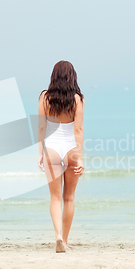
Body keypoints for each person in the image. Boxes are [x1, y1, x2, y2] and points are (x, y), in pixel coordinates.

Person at [38, 60, 85, 253]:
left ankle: (57, 235)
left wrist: (40, 153)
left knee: (55, 198)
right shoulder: (77, 99)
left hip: (53, 148)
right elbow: (78, 130)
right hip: (71, 149)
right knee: (69, 198)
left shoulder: (44, 97)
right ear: (71, 76)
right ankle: (64, 241)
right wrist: (79, 157)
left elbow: (41, 127)